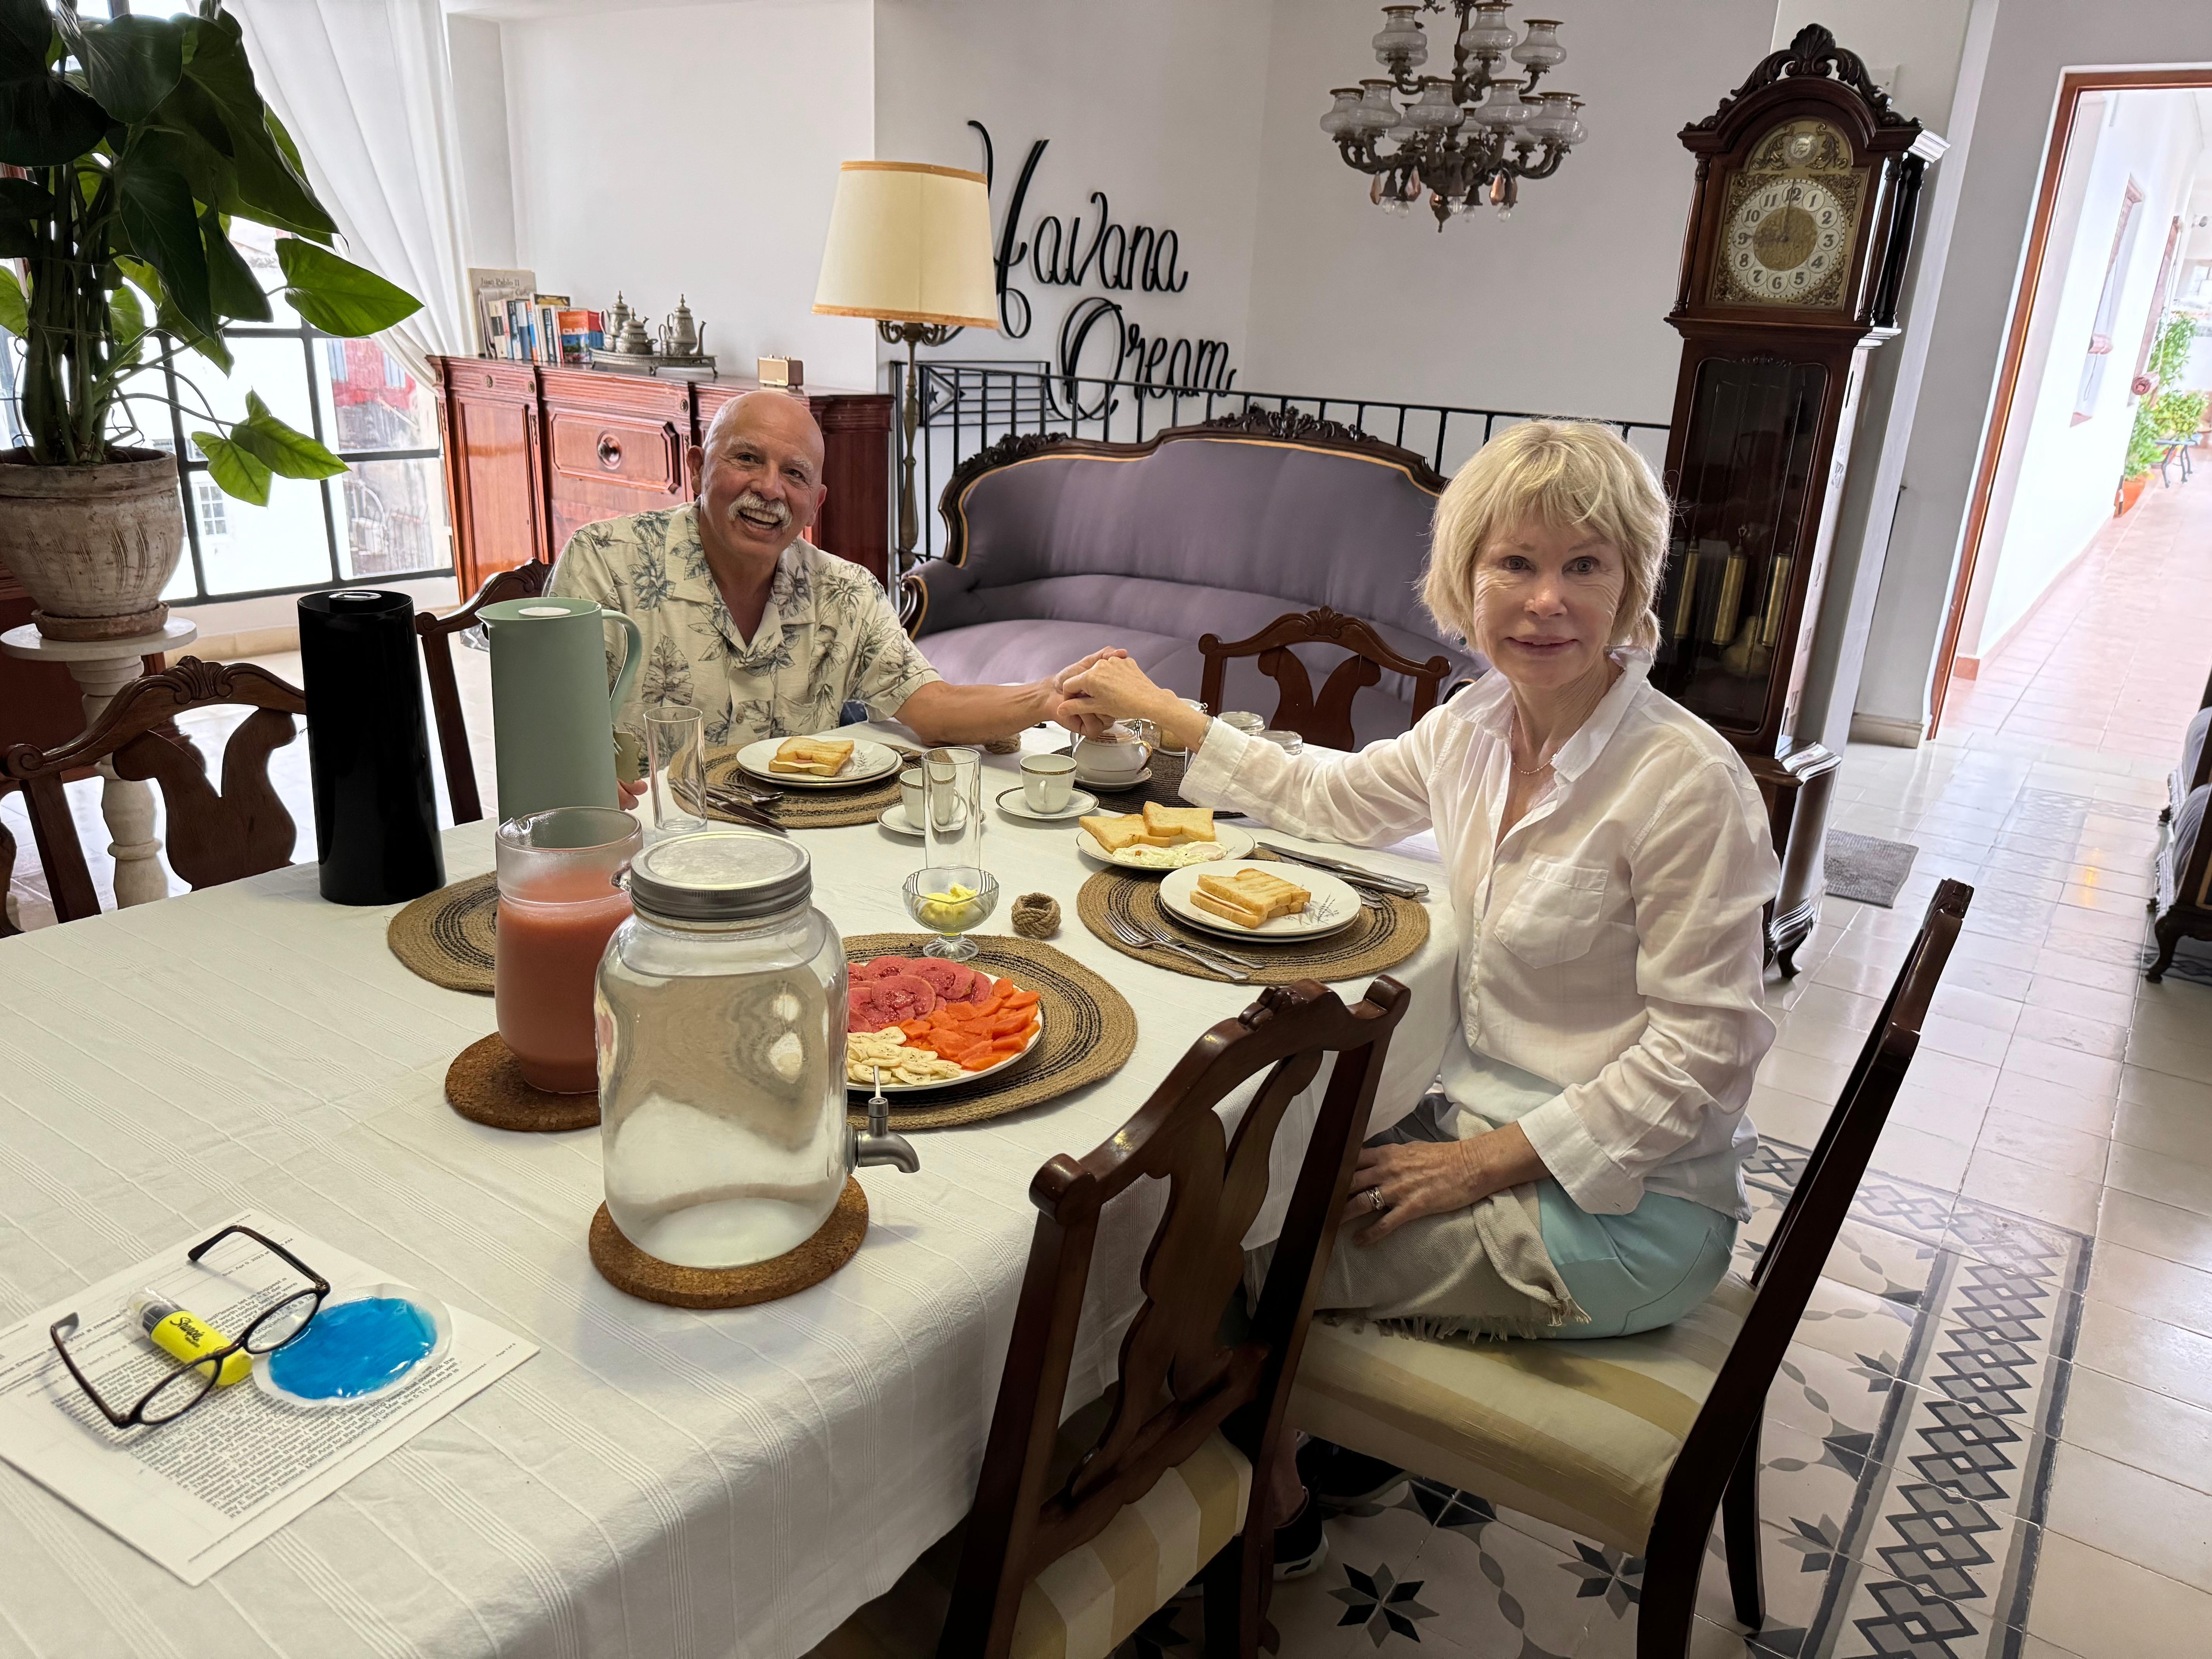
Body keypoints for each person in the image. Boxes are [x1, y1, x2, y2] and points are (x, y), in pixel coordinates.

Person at [1055, 421, 1780, 1578]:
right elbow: (1328, 797)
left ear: (1633, 587)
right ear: (1465, 577)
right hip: (1483, 1115)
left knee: (1215, 1261)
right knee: (1249, 1164)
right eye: (1516, 561)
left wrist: (1482, 1162)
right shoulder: (1477, 726)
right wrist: (1176, 716)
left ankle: (1273, 1495)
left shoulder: (1685, 781)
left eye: (1585, 565)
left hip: (1626, 1205)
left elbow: (1709, 1055)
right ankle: (1338, 1425)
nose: (1545, 600)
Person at [549, 390, 1110, 769]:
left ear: (813, 504)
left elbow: (933, 711)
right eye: (747, 459)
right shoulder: (606, 563)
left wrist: (1051, 696)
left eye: (794, 474)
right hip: (651, 849)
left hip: (800, 845)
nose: (769, 489)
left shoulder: (845, 592)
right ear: (698, 467)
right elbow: (551, 741)